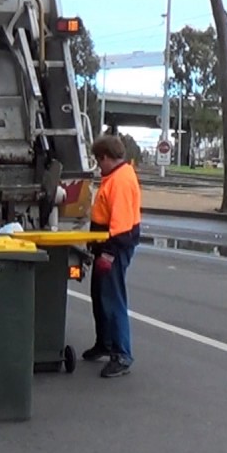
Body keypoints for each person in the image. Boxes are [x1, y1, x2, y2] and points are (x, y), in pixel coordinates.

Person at [82, 134, 142, 378]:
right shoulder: (116, 177)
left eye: (98, 160)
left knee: (112, 299)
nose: (98, 166)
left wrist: (107, 254)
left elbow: (120, 226)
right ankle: (105, 343)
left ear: (106, 157)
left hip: (114, 247)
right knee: (100, 295)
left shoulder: (120, 181)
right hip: (108, 246)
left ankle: (122, 354)